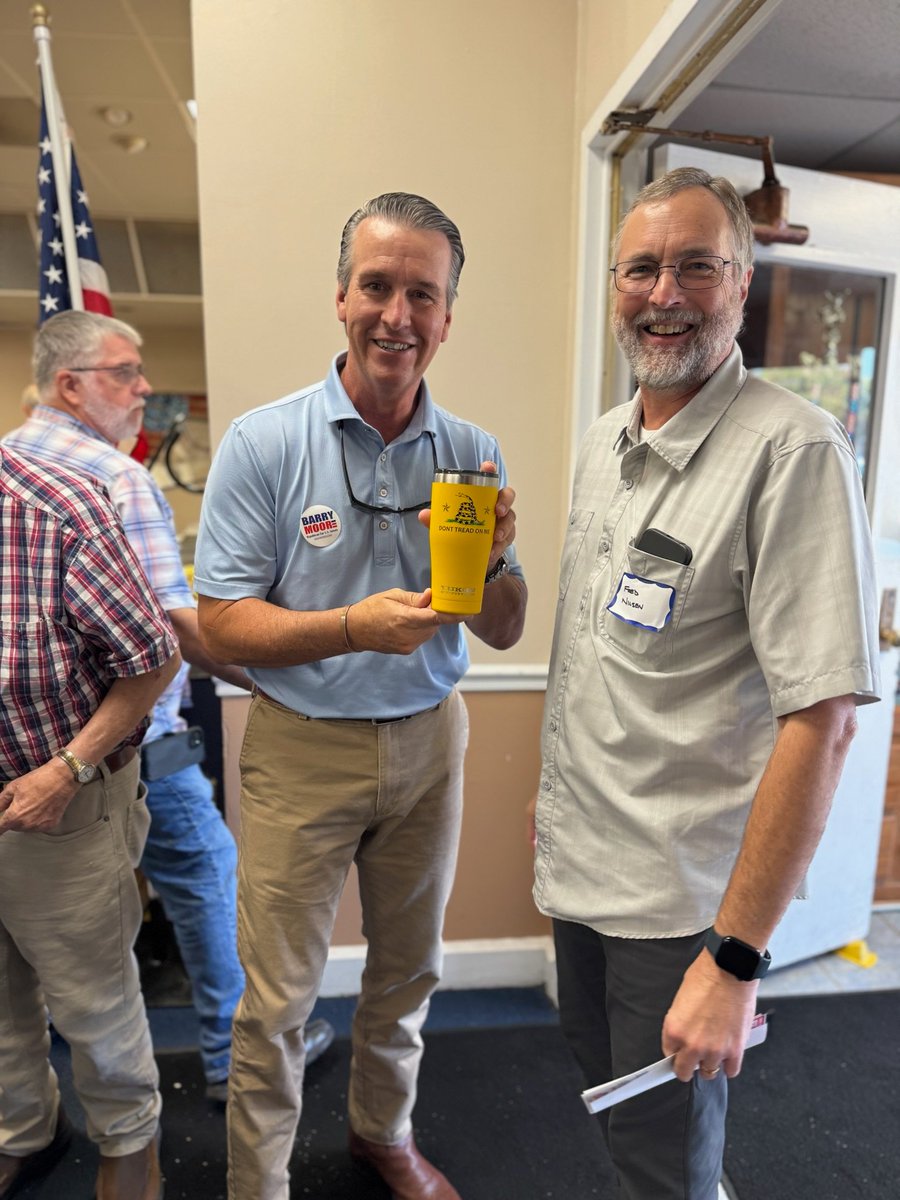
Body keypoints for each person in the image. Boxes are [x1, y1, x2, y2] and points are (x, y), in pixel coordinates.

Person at [532, 166, 880, 1200]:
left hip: (679, 908)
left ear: (742, 280)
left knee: (661, 1162)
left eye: (697, 265)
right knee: (619, 1116)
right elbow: (602, 670)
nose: (664, 292)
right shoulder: (607, 439)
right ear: (616, 283)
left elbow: (821, 726)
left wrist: (733, 960)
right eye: (642, 267)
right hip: (583, 879)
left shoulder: (793, 454)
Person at [193, 191, 527, 1200]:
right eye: (377, 286)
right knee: (279, 999)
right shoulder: (265, 442)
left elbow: (505, 625)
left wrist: (501, 563)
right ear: (341, 297)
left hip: (431, 742)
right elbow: (219, 623)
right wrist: (350, 627)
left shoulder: (472, 451)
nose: (397, 316)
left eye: (421, 294)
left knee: (408, 972)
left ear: (447, 317)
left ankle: (383, 1133)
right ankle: (259, 1184)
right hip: (303, 746)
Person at [3, 311, 334, 1110]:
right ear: (70, 385)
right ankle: (226, 1056)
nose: (144, 388)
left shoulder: (12, 464)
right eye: (125, 373)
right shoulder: (114, 479)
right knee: (205, 876)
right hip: (127, 744)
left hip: (35, 756)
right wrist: (291, 686)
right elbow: (176, 629)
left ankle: (28, 1112)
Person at [0, 443, 180, 1200]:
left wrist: (66, 770)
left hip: (61, 798)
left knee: (92, 1000)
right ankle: (23, 1132)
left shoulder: (58, 509)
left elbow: (154, 657)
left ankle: (130, 1144)